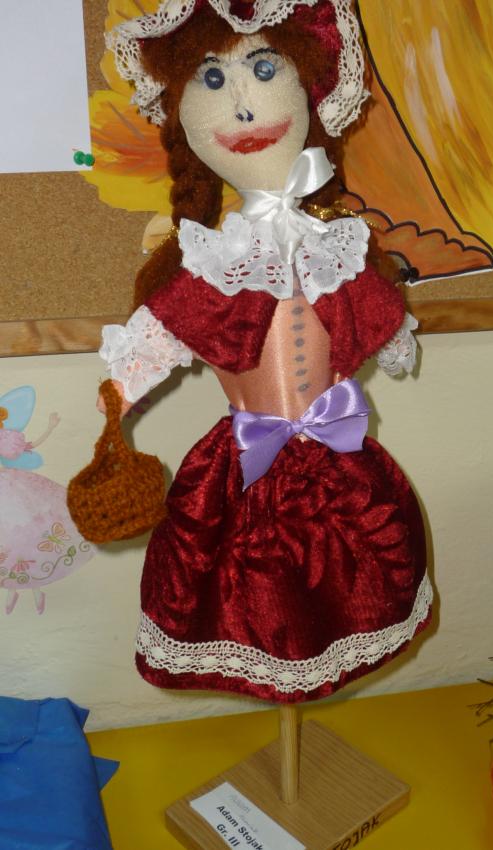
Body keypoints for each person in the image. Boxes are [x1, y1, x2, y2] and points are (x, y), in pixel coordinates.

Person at [97, 0, 432, 702]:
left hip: (343, 465)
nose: (244, 107)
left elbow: (384, 326)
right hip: (244, 472)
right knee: (252, 597)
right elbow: (145, 352)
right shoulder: (213, 262)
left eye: (264, 70)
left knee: (354, 589)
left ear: (309, 93)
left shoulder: (339, 248)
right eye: (214, 81)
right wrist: (110, 437)